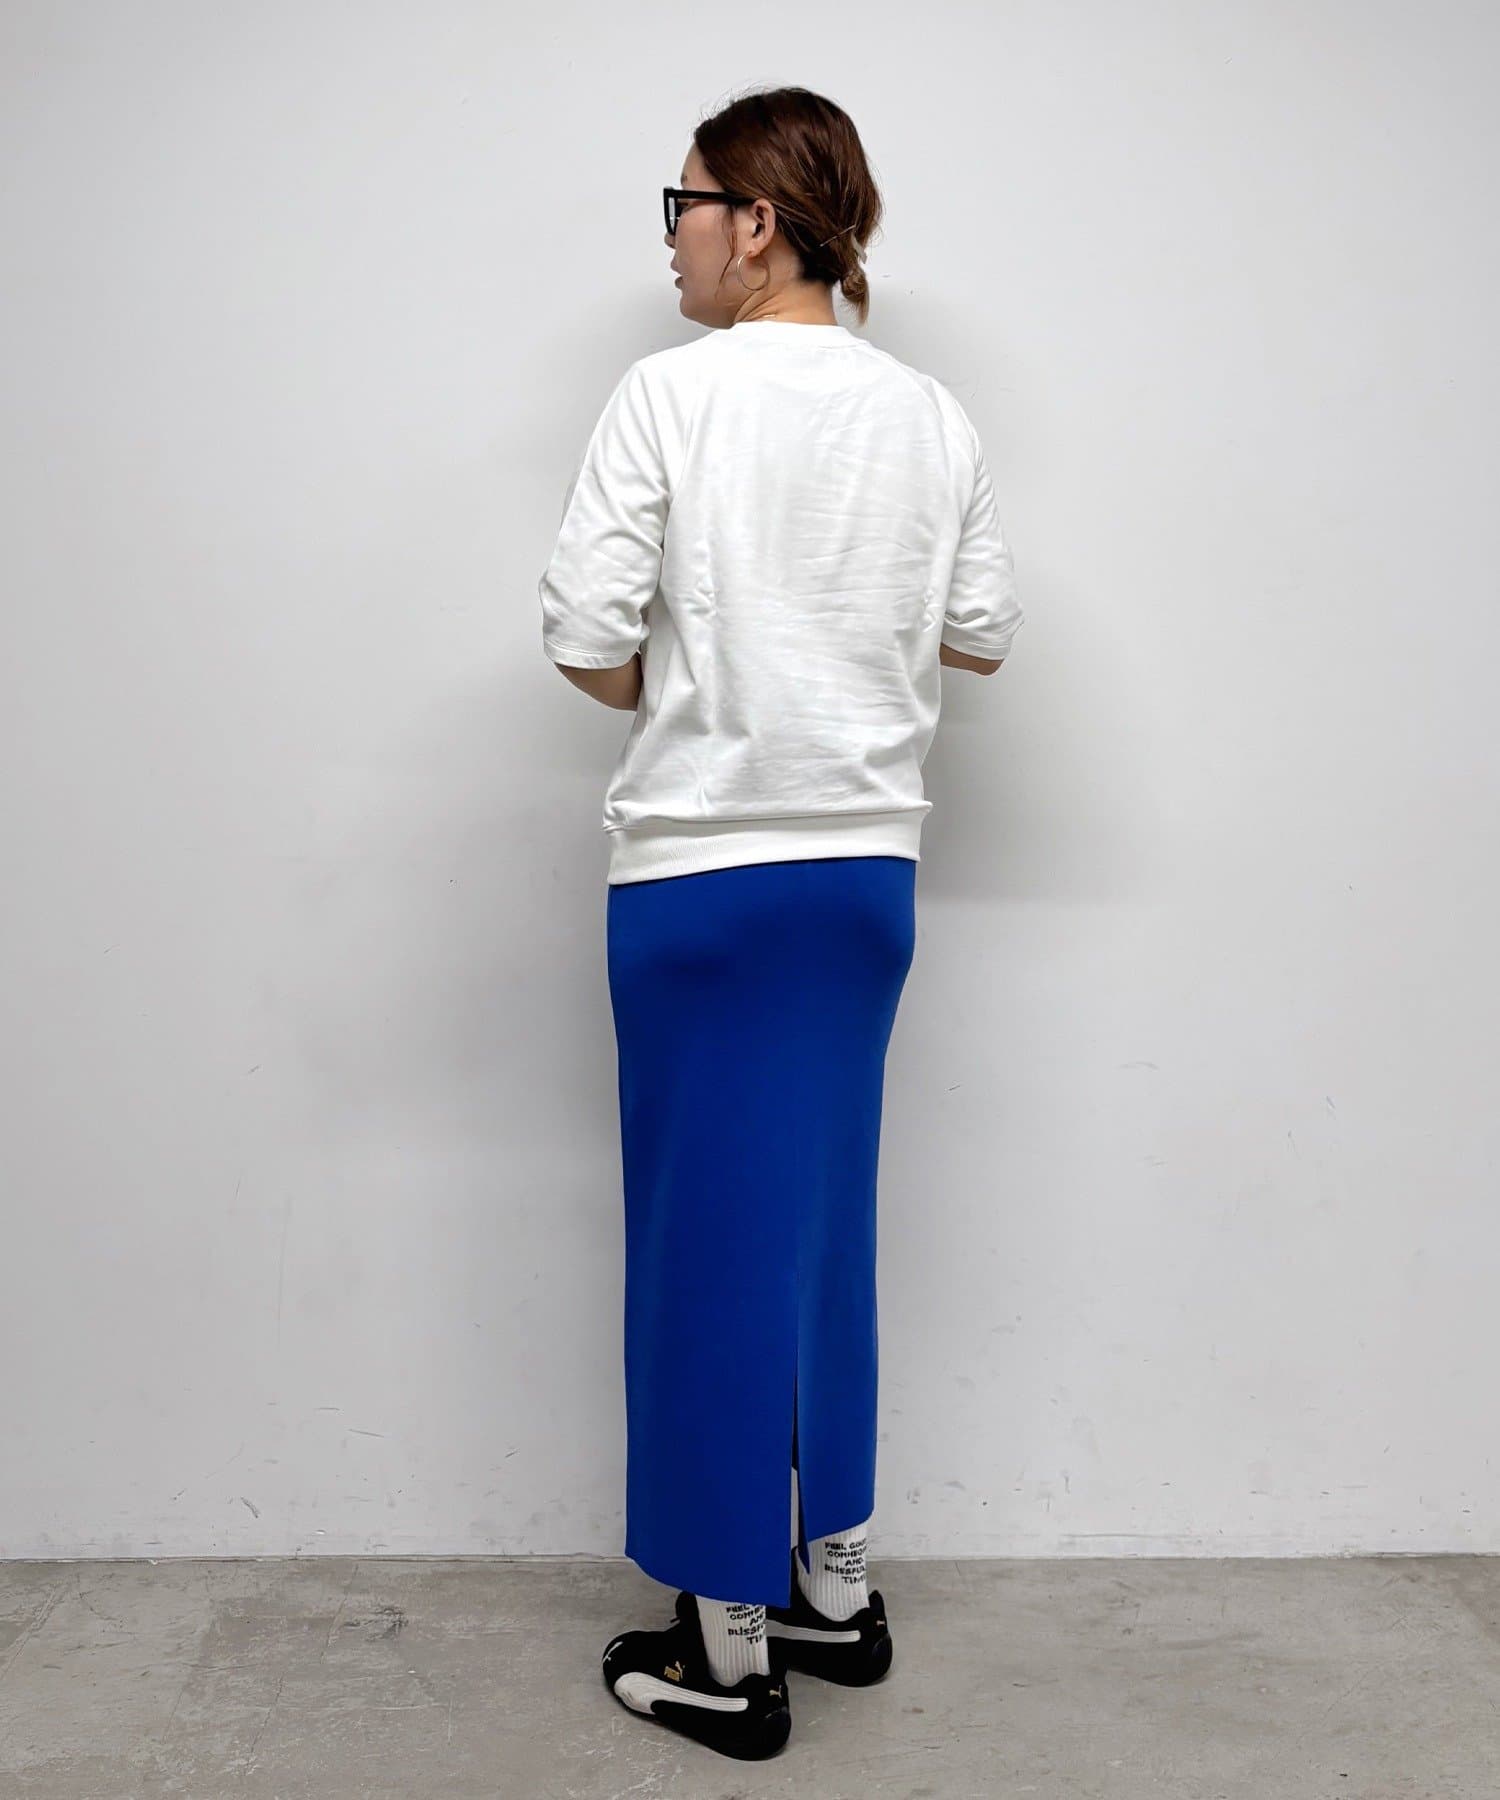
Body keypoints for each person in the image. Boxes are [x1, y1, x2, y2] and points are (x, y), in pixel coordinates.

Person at [537, 85, 1025, 1761]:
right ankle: (834, 1589)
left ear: (755, 220)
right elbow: (980, 631)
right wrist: (838, 643)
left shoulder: (669, 395)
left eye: (682, 204)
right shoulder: (931, 415)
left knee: (704, 1254)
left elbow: (587, 641)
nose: (669, 238)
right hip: (865, 883)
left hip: (705, 884)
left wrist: (697, 681)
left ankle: (725, 1655)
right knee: (820, 1231)